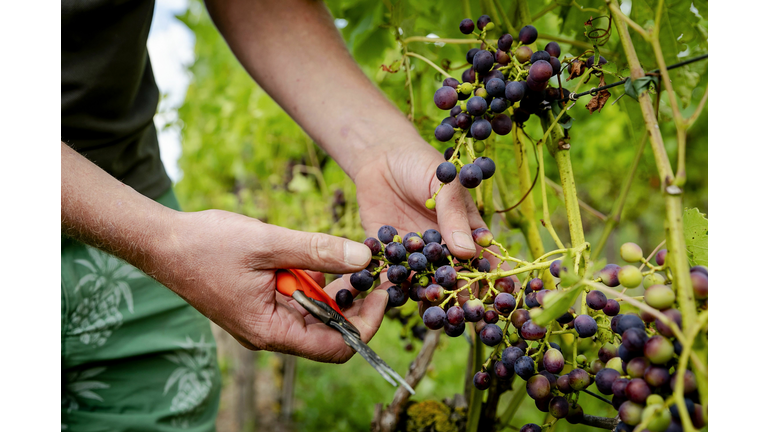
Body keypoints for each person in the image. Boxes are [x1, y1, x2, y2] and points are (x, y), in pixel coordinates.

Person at [62, 0, 486, 429]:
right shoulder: (164, 241)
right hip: (141, 232)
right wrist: (161, 243)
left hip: (135, 204)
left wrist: (377, 151)